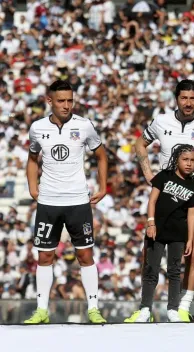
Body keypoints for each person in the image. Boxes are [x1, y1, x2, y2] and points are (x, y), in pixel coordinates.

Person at [134, 80, 194, 321]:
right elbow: (140, 144)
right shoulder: (161, 121)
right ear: (176, 98)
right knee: (149, 255)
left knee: (192, 254)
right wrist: (148, 173)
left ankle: (182, 307)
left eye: (193, 98)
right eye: (184, 98)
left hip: (193, 197)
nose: (188, 103)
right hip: (164, 198)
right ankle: (145, 308)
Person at [24, 80, 108, 324]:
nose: (66, 105)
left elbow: (101, 156)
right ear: (49, 101)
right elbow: (32, 159)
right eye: (61, 100)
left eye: (70, 100)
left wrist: (103, 188)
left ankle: (93, 309)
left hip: (78, 201)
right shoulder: (37, 128)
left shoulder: (84, 125)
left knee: (85, 254)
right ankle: (41, 310)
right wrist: (32, 186)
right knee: (44, 256)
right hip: (48, 201)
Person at [124, 144, 194, 322]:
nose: (189, 164)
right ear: (177, 160)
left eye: (193, 160)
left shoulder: (193, 186)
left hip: (178, 234)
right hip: (156, 231)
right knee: (151, 269)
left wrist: (189, 239)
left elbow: (192, 214)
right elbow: (152, 201)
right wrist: (150, 223)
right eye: (185, 159)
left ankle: (173, 309)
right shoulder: (164, 176)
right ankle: (145, 309)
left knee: (174, 271)